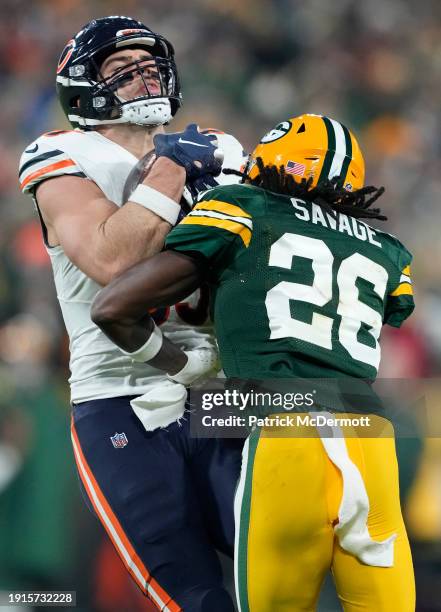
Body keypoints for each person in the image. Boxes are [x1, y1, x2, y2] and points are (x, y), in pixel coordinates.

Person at [91, 114, 416, 611]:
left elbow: (112, 308)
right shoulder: (390, 251)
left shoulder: (242, 207)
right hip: (371, 441)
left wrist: (180, 365)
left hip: (284, 434)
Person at [19, 15, 247, 612]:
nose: (144, 79)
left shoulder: (222, 153)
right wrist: (172, 168)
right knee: (196, 598)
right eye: (123, 70)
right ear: (84, 88)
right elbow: (111, 261)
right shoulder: (63, 153)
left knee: (280, 575)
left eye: (151, 67)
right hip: (122, 397)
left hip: (224, 396)